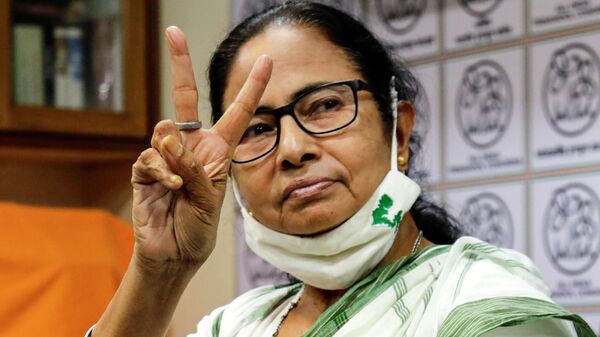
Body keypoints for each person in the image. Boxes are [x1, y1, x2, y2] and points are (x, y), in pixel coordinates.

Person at [87, 2, 595, 337]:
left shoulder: (482, 305)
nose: (291, 148)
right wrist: (161, 269)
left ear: (398, 132)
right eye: (257, 129)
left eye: (325, 106)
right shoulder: (238, 324)